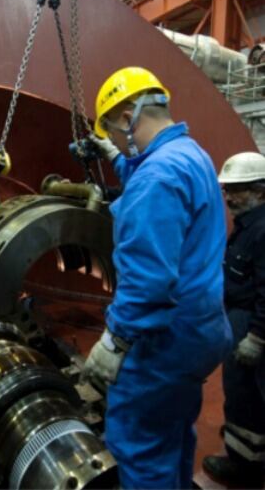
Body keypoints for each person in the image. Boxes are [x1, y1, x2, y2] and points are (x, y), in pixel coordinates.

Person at [81, 67, 233, 489]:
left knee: (141, 445)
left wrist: (114, 342)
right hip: (202, 330)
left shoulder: (156, 179)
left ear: (129, 114)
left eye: (113, 130)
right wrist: (114, 158)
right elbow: (150, 179)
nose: (114, 139)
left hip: (165, 342)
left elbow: (149, 281)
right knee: (173, 432)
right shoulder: (190, 155)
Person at [203, 152, 265, 489]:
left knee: (244, 396)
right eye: (227, 189)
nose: (229, 197)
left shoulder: (261, 231)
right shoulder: (248, 225)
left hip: (251, 324)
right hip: (240, 317)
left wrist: (256, 337)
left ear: (261, 190)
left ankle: (245, 467)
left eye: (238, 190)